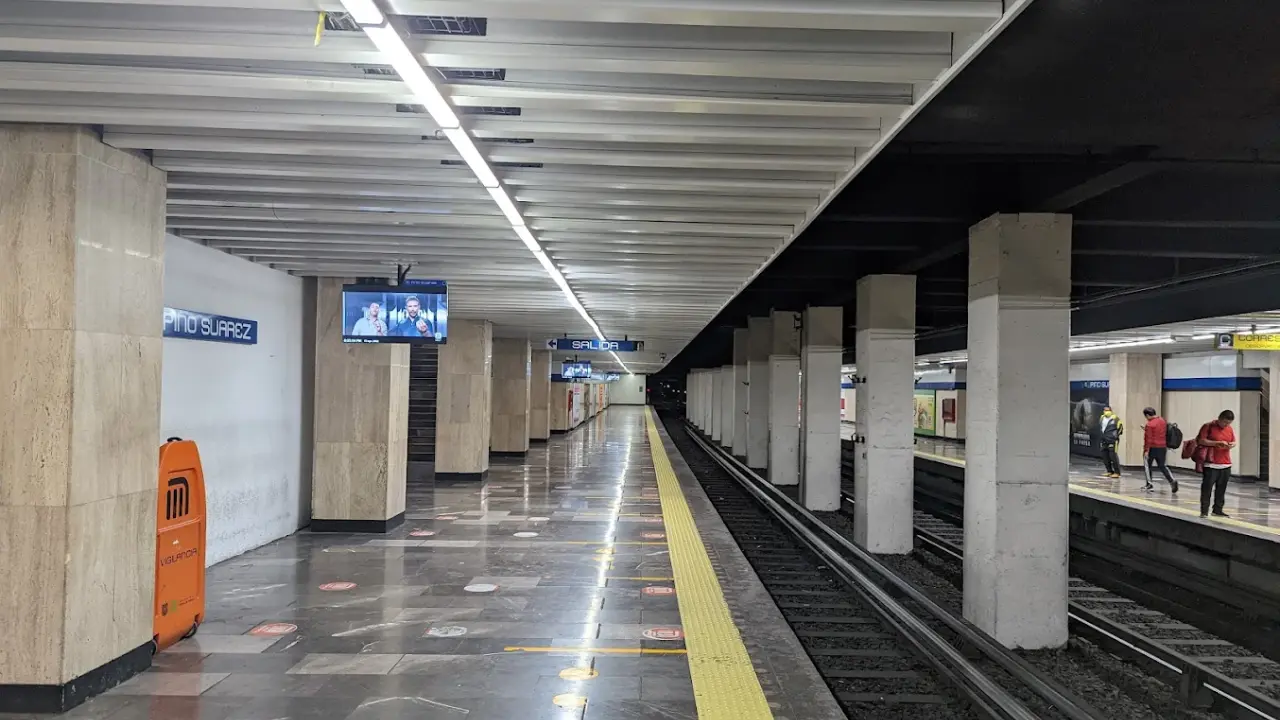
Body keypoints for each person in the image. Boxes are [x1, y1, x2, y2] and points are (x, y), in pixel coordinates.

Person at [1196, 410, 1235, 518]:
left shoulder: (1229, 429)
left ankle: (1218, 510)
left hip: (1225, 463)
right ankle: (1204, 511)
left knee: (1221, 489)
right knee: (1207, 488)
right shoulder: (1208, 426)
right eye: (1224, 422)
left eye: (1229, 423)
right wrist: (1216, 443)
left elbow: (1233, 441)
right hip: (1211, 463)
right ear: (1219, 418)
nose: (1226, 425)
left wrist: (1231, 445)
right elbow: (1201, 440)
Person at [1141, 407, 1178, 493]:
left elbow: (1148, 439)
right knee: (1162, 465)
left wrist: (1146, 450)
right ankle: (1172, 480)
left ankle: (1149, 484)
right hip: (1162, 446)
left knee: (1147, 466)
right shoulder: (1162, 421)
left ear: (1147, 415)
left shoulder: (1149, 425)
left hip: (1152, 447)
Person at [1099, 406, 1124, 478]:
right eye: (1105, 410)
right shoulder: (1102, 418)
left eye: (1108, 410)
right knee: (1105, 455)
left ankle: (1117, 472)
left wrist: (1115, 436)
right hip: (1104, 439)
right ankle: (1109, 471)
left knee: (1113, 456)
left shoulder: (1115, 419)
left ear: (1111, 411)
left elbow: (1120, 428)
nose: (1106, 411)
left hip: (1112, 440)